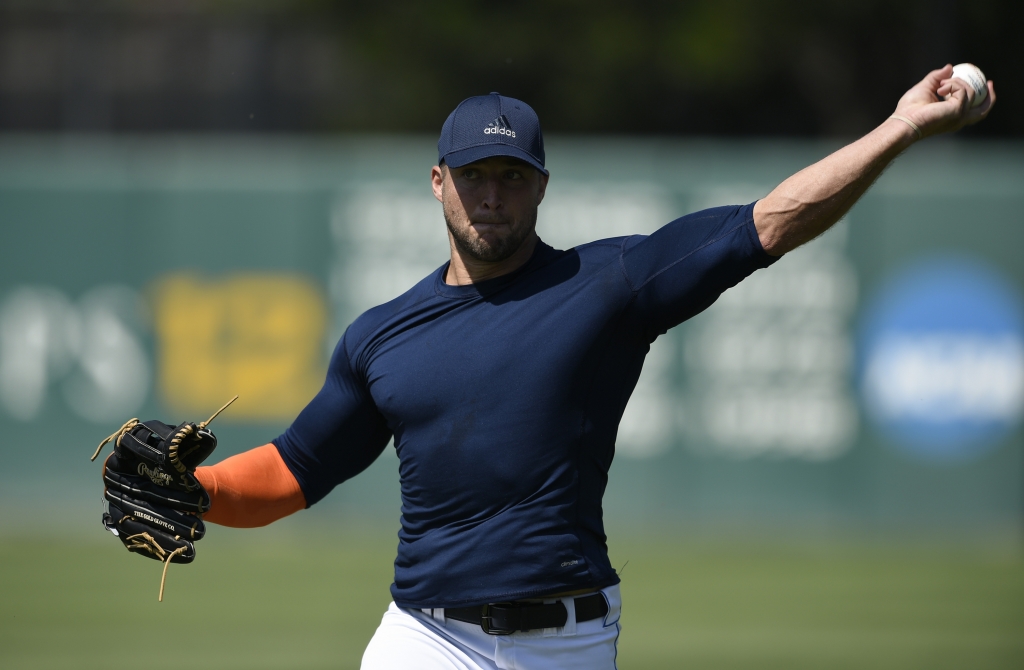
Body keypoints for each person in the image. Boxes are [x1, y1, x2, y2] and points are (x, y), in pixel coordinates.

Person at [192, 66, 994, 669]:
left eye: (512, 177)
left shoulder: (608, 286)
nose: (492, 196)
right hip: (424, 637)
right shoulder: (383, 336)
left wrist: (898, 128)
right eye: (474, 176)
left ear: (542, 186)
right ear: (438, 183)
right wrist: (197, 493)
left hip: (564, 644)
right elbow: (295, 471)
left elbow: (771, 222)